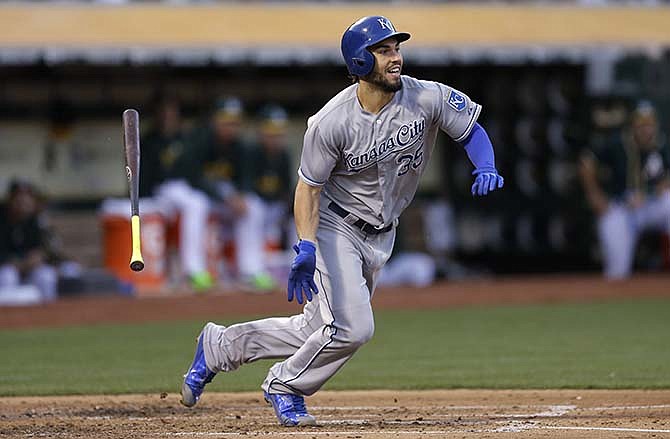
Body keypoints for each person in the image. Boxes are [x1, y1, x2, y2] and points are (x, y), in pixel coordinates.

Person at [179, 16, 504, 426]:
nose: (395, 57)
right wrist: (306, 245)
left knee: (314, 330)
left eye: (396, 48)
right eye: (383, 50)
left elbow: (470, 129)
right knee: (353, 328)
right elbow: (308, 188)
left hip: (383, 233)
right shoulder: (331, 121)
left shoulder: (424, 96)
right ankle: (286, 385)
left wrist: (486, 164)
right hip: (337, 226)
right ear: (360, 61)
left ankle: (219, 347)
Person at [189, 97, 277, 291]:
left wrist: (240, 196)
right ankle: (194, 271)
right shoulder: (201, 139)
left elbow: (245, 179)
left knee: (253, 206)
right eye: (226, 121)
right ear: (215, 120)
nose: (230, 126)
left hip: (224, 200)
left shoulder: (239, 146)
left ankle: (251, 271)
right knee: (195, 205)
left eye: (234, 122)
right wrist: (226, 197)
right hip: (200, 195)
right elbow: (194, 178)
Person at [579, 100, 670, 279]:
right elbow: (586, 162)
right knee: (617, 271)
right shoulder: (617, 143)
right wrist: (595, 195)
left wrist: (664, 184)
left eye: (649, 124)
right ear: (633, 125)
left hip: (653, 204)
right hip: (621, 208)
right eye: (641, 124)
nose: (645, 129)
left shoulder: (663, 144)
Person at [140, 94, 213, 291]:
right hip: (158, 192)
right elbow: (144, 174)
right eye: (164, 113)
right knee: (192, 202)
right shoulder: (150, 140)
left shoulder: (185, 138)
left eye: (171, 113)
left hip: (181, 190)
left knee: (198, 203)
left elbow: (192, 172)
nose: (168, 117)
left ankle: (193, 269)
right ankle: (187, 269)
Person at [0, 180, 58, 302]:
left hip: (30, 269)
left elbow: (49, 249)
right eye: (19, 196)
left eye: (28, 196)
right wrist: (14, 262)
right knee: (7, 275)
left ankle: (49, 317)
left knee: (46, 275)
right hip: (7, 270)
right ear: (10, 199)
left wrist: (41, 256)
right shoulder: (3, 219)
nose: (23, 201)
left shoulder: (37, 221)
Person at [247, 104, 295, 250]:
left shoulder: (284, 156)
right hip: (255, 206)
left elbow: (286, 188)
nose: (274, 138)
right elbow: (246, 187)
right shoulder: (252, 154)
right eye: (271, 132)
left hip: (274, 208)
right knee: (255, 209)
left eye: (278, 133)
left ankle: (291, 259)